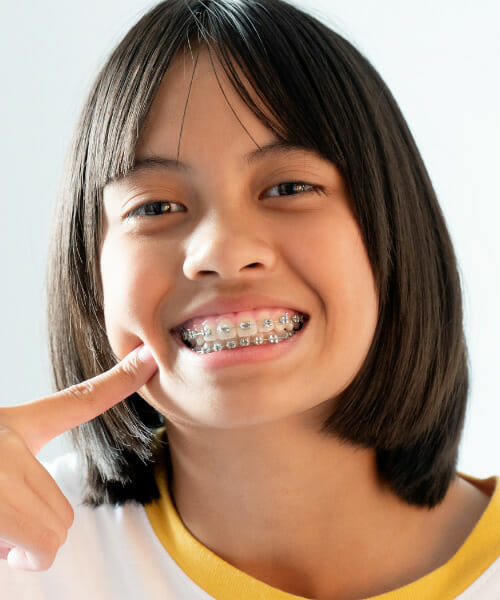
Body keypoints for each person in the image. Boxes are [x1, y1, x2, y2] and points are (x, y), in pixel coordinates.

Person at [0, 0, 498, 598]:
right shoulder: (23, 561)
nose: (222, 250)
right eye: (154, 207)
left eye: (289, 187)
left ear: (393, 230)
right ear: (89, 273)